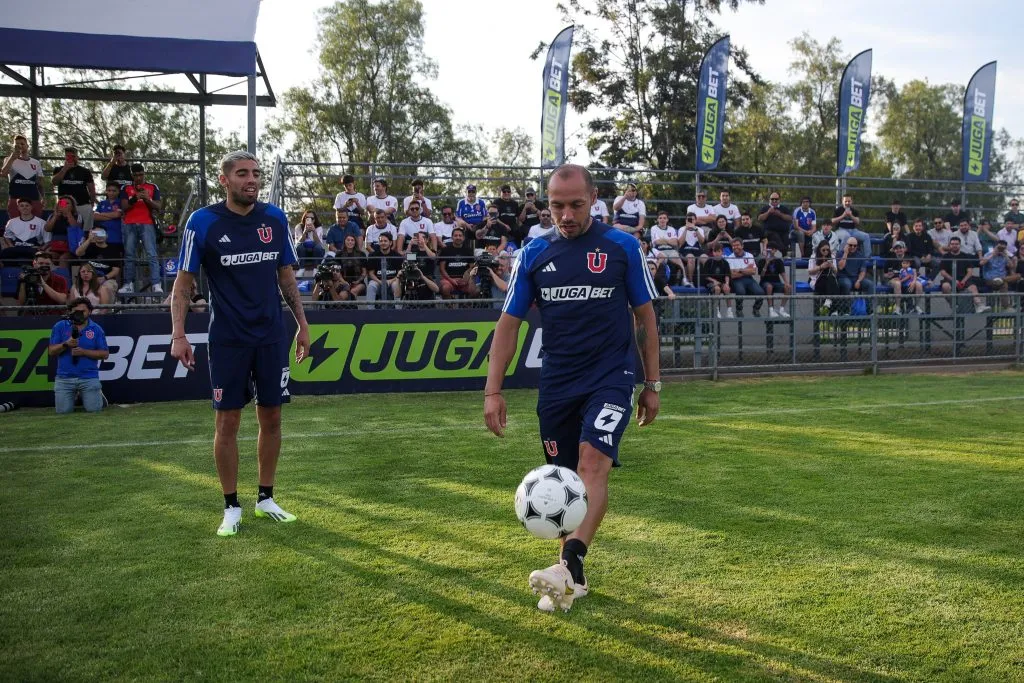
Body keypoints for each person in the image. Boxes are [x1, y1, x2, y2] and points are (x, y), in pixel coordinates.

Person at [484, 163, 660, 613]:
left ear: (595, 198)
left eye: (576, 205)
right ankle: (571, 578)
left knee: (592, 462)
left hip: (611, 376)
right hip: (558, 383)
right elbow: (508, 326)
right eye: (557, 205)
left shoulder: (622, 246)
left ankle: (571, 562)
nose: (565, 214)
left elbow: (646, 319)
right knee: (563, 482)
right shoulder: (533, 253)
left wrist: (652, 382)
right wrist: (493, 391)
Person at [169, 150, 311, 538]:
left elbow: (285, 276)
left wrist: (302, 324)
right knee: (227, 420)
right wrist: (178, 334)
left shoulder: (275, 218)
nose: (252, 180)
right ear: (224, 179)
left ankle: (265, 498)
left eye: (256, 174)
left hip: (271, 335)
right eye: (243, 173)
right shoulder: (203, 222)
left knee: (273, 416)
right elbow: (183, 284)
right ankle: (231, 506)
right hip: (228, 338)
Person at [47, 297, 109, 414]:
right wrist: (65, 344)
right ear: (70, 312)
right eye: (76, 311)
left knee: (94, 410)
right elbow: (51, 351)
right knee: (63, 412)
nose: (79, 314)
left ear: (89, 312)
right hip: (64, 377)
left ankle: (93, 394)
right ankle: (78, 396)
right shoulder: (60, 326)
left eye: (83, 311)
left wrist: (84, 352)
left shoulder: (96, 329)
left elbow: (105, 354)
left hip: (88, 376)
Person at [118, 164, 163, 294]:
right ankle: (128, 284)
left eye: (141, 174)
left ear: (144, 173)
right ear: (132, 175)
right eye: (136, 175)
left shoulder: (152, 187)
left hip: (147, 223)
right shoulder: (126, 188)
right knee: (130, 255)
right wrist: (135, 198)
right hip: (129, 223)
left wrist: (146, 199)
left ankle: (156, 284)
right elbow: (124, 207)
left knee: (151, 254)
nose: (139, 177)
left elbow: (158, 206)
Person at [51, 146, 96, 234]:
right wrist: (64, 169)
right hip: (63, 204)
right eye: (68, 156)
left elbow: (91, 188)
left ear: (77, 157)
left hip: (83, 203)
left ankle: (85, 245)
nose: (71, 158)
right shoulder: (58, 169)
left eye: (73, 156)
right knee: (63, 228)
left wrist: (92, 202)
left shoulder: (85, 171)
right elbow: (54, 182)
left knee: (86, 230)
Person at [939, 236, 990, 313]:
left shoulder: (965, 256)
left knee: (973, 287)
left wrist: (963, 281)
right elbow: (943, 272)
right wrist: (953, 280)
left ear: (960, 245)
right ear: (949, 245)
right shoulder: (946, 256)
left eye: (956, 244)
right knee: (945, 286)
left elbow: (969, 271)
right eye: (952, 244)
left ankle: (980, 306)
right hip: (950, 279)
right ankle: (953, 305)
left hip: (964, 278)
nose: (954, 246)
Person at [74, 227, 122, 301]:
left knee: (108, 287)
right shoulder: (88, 246)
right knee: (76, 287)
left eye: (101, 233)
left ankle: (106, 311)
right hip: (87, 278)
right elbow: (78, 253)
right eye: (96, 234)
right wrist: (89, 239)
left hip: (107, 279)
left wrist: (104, 278)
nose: (99, 236)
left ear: (107, 235)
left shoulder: (114, 250)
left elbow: (116, 270)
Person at [2, 134, 44, 217]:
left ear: (27, 146)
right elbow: (3, 174)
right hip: (15, 199)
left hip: (33, 199)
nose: (20, 146)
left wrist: (43, 198)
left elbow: (40, 183)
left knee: (35, 225)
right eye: (17, 144)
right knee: (15, 225)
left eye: (22, 144)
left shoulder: (35, 162)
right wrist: (12, 158)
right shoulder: (9, 159)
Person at [836, 236, 875, 313]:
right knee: (847, 284)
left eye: (855, 245)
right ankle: (845, 310)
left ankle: (870, 310)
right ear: (846, 245)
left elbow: (863, 271)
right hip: (843, 277)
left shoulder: (860, 255)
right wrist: (845, 254)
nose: (853, 247)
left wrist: (859, 280)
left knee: (870, 284)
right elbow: (840, 267)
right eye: (850, 245)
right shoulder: (840, 254)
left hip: (856, 279)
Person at [1, 197, 46, 264]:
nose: (24, 207)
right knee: (4, 253)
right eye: (22, 206)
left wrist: (41, 248)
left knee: (39, 255)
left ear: (31, 207)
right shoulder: (11, 222)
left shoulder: (41, 222)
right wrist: (11, 246)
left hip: (33, 249)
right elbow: (7, 236)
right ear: (18, 208)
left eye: (27, 205)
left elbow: (47, 240)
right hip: (16, 248)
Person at [726, 237, 764, 316]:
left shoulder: (749, 255)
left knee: (760, 292)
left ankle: (756, 309)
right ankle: (739, 310)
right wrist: (747, 269)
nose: (735, 247)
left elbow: (753, 271)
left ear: (742, 246)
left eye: (737, 245)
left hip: (749, 279)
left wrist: (739, 270)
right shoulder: (729, 258)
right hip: (737, 280)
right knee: (740, 292)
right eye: (733, 246)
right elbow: (732, 275)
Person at [439, 227, 478, 299]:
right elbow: (442, 268)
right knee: (445, 288)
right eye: (455, 235)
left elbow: (472, 267)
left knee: (475, 291)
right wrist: (451, 280)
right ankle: (451, 308)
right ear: (452, 237)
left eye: (460, 235)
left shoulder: (468, 250)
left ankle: (465, 307)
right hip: (448, 280)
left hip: (465, 280)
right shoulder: (445, 250)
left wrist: (466, 279)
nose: (458, 237)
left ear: (463, 238)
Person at [365, 232, 403, 302]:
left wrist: (389, 281)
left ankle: (398, 311)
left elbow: (399, 274)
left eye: (385, 241)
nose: (383, 243)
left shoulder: (397, 256)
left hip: (393, 281)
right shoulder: (373, 255)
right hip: (377, 281)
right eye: (381, 241)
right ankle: (370, 311)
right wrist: (380, 282)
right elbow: (371, 273)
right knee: (371, 286)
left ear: (390, 243)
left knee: (396, 285)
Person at [649, 211, 686, 285]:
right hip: (659, 250)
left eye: (664, 218)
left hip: (670, 250)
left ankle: (685, 279)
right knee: (663, 261)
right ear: (657, 220)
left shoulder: (671, 229)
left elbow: (675, 242)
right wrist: (669, 240)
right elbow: (656, 242)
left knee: (678, 260)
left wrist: (663, 240)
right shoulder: (654, 228)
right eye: (660, 218)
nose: (662, 220)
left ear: (667, 220)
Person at [44, 195, 80, 270]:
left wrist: (68, 214)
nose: (65, 205)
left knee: (63, 259)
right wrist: (55, 216)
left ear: (73, 206)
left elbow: (75, 228)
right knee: (47, 257)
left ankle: (64, 279)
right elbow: (47, 229)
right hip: (56, 246)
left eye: (68, 203)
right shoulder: (52, 216)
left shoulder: (77, 216)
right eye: (63, 203)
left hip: (71, 247)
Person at [331, 233, 367, 299]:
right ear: (344, 241)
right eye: (348, 240)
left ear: (355, 242)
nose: (350, 242)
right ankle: (344, 308)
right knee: (343, 293)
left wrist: (358, 281)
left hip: (359, 282)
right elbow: (337, 271)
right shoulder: (339, 254)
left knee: (353, 291)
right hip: (342, 281)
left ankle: (353, 308)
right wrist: (344, 282)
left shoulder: (361, 254)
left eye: (352, 240)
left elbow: (364, 273)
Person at [808, 241, 840, 314]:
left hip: (829, 281)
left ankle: (828, 302)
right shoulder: (814, 257)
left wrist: (831, 266)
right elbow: (810, 272)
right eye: (823, 250)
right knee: (830, 279)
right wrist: (821, 267)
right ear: (819, 249)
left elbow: (836, 272)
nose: (826, 251)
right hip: (817, 280)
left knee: (831, 278)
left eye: (827, 250)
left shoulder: (832, 257)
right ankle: (834, 309)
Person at [93, 181, 125, 256]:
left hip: (117, 237)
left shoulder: (121, 202)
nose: (111, 193)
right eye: (109, 190)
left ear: (118, 191)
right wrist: (113, 216)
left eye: (114, 191)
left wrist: (102, 215)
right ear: (106, 191)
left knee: (116, 262)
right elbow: (95, 217)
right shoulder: (102, 203)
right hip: (102, 238)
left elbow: (117, 214)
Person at [701, 242, 732, 318]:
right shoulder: (709, 262)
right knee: (717, 289)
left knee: (727, 289)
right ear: (712, 252)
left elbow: (727, 275)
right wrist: (714, 281)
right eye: (715, 251)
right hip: (710, 282)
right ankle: (717, 309)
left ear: (722, 252)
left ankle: (729, 310)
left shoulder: (725, 263)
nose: (717, 253)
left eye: (719, 251)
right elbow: (705, 276)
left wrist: (727, 284)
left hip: (721, 282)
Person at [291, 209, 325, 275]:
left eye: (312, 218)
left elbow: (319, 243)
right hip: (302, 251)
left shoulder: (318, 228)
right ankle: (301, 268)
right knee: (300, 246)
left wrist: (314, 231)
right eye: (307, 218)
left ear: (314, 220)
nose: (310, 220)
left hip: (315, 251)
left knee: (318, 247)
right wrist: (305, 232)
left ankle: (316, 268)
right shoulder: (299, 227)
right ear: (304, 219)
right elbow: (299, 242)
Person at [759, 249, 791, 318]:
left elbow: (782, 273)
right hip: (765, 281)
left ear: (775, 250)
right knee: (769, 287)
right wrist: (766, 264)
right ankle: (771, 310)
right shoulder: (762, 261)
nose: (770, 252)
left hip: (776, 281)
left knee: (788, 287)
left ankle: (782, 309)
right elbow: (761, 275)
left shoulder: (778, 261)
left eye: (772, 250)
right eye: (768, 250)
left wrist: (786, 282)